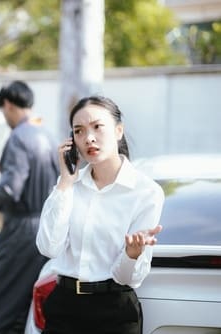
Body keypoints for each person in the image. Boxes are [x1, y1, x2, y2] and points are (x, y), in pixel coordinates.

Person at [36, 95, 164, 334]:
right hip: (64, 307)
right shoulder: (68, 187)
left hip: (114, 312)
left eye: (97, 127)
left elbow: (127, 278)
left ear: (118, 130)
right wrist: (64, 182)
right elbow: (48, 248)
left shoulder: (146, 192)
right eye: (79, 131)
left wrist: (131, 254)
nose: (89, 138)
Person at [0, 80, 59, 334]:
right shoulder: (46, 135)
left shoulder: (18, 138)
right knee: (24, 304)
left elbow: (10, 189)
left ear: (7, 105)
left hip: (21, 233)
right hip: (45, 228)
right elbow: (28, 176)